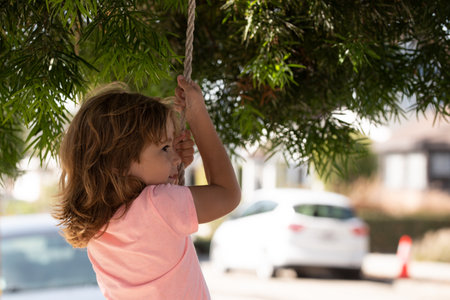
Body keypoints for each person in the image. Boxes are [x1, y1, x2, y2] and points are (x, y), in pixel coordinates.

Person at [54, 75, 241, 299]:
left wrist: (172, 167)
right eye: (164, 148)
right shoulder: (159, 205)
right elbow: (227, 193)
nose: (175, 158)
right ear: (119, 163)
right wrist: (198, 115)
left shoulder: (98, 226)